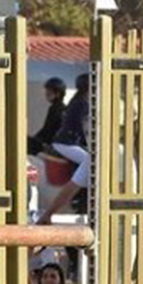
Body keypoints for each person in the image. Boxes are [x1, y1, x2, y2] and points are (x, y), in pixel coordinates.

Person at [37, 73, 90, 224]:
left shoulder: (75, 102)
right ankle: (79, 199)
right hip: (66, 143)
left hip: (68, 141)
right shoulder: (82, 104)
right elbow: (81, 127)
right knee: (89, 161)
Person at [28, 78, 66, 156]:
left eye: (49, 91)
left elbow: (48, 129)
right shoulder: (60, 107)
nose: (46, 93)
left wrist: (37, 140)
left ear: (58, 93)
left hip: (51, 144)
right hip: (52, 142)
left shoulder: (56, 109)